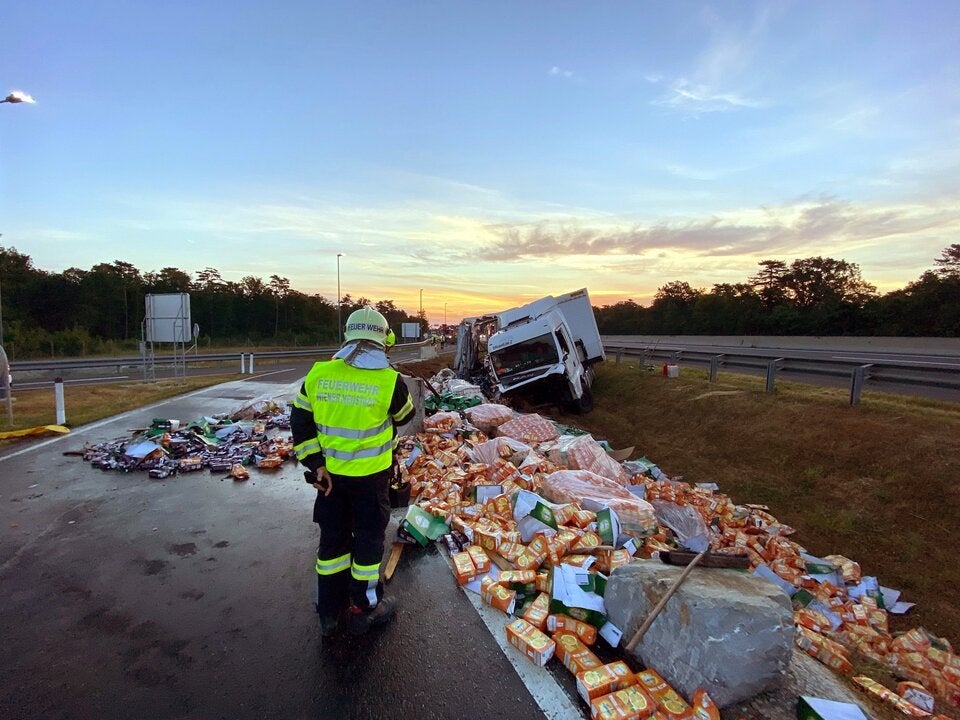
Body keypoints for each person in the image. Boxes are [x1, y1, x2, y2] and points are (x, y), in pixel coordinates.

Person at [291, 306, 415, 637]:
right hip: (370, 481)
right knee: (368, 543)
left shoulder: (318, 374)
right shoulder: (388, 380)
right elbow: (405, 416)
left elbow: (300, 424)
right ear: (383, 340)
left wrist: (316, 465)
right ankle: (365, 607)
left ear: (348, 335)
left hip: (329, 480)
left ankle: (329, 611)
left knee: (332, 541)